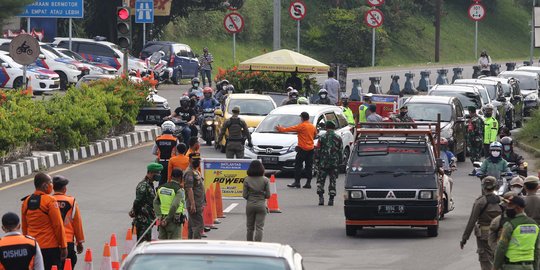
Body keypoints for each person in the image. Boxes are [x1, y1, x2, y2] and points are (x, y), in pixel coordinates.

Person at [21, 173, 67, 270]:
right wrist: (63, 246)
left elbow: (25, 227)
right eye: (50, 182)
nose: (52, 185)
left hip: (32, 246)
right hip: (50, 247)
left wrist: (26, 244)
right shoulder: (50, 201)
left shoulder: (26, 201)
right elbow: (58, 225)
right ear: (45, 185)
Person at [460, 176, 503, 270]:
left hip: (484, 235)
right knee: (498, 256)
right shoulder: (502, 201)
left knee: (485, 259)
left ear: (483, 186)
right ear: (495, 186)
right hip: (499, 234)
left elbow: (472, 221)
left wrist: (464, 238)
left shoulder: (480, 202)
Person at [493, 195, 540, 270]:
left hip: (511, 266)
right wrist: (536, 267)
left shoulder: (510, 225)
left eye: (510, 206)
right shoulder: (535, 225)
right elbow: (537, 250)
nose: (507, 208)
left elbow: (501, 247)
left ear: (518, 208)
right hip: (529, 266)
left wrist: (495, 267)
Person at [276, 112, 317, 188]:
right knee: (309, 166)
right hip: (311, 149)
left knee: (298, 166)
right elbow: (315, 135)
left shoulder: (301, 126)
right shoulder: (312, 126)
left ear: (302, 118)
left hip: (302, 149)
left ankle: (297, 182)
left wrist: (281, 129)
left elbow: (290, 129)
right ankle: (308, 183)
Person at [52, 176, 84, 269]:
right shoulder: (71, 201)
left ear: (53, 187)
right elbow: (77, 223)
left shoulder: (48, 200)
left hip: (52, 242)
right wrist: (79, 242)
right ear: (64, 188)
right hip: (67, 241)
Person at [131, 163, 162, 242]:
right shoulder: (143, 186)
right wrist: (135, 212)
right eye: (157, 173)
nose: (158, 175)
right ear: (150, 173)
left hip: (148, 220)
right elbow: (137, 201)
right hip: (143, 221)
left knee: (147, 242)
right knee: (142, 244)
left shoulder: (150, 185)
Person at [315, 121, 343, 206]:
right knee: (333, 181)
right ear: (334, 128)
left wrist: (316, 161)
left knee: (320, 180)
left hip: (323, 163)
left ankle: (321, 198)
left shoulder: (322, 137)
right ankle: (331, 199)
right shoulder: (338, 138)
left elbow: (318, 150)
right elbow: (340, 151)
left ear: (326, 127)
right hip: (334, 163)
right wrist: (340, 162)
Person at [242, 160, 271, 242]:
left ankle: (249, 244)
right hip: (261, 205)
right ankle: (258, 245)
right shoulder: (265, 180)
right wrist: (262, 196)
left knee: (250, 227)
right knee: (259, 227)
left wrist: (250, 197)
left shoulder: (247, 179)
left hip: (250, 205)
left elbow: (244, 195)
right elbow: (268, 195)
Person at [153, 168, 186, 240]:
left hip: (162, 219)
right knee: (174, 245)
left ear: (171, 176)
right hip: (174, 221)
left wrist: (159, 216)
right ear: (180, 178)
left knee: (162, 244)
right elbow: (174, 205)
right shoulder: (179, 190)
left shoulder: (161, 188)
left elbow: (155, 202)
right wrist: (167, 220)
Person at [184, 153, 206, 239]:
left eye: (198, 160)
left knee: (192, 225)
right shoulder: (189, 172)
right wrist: (192, 204)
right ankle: (197, 245)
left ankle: (190, 244)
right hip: (194, 203)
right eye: (195, 160)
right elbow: (189, 189)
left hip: (198, 202)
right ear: (189, 160)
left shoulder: (196, 171)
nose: (197, 162)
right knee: (198, 225)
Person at [152, 121, 178, 186]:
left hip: (161, 163)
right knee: (172, 180)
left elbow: (153, 152)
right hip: (172, 163)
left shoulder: (158, 139)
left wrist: (159, 154)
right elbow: (178, 152)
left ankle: (159, 194)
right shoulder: (175, 139)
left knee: (162, 181)